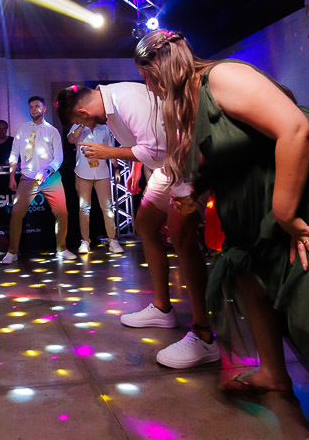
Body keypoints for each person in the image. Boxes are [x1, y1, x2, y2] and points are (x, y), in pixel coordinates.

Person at [135, 29, 309, 440]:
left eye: (148, 78)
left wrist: (285, 213)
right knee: (246, 271)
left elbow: (294, 128)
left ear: (160, 68)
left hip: (307, 186)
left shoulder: (223, 77)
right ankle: (273, 374)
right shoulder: (190, 100)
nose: (149, 89)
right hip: (254, 199)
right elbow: (226, 153)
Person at [55, 83, 216, 369]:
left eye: (81, 121)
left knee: (181, 237)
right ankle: (163, 308)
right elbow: (145, 140)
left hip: (186, 163)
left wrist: (109, 153)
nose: (86, 125)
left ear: (82, 112)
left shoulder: (125, 99)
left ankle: (204, 334)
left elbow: (157, 148)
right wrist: (138, 168)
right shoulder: (111, 108)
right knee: (145, 224)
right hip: (167, 165)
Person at [2, 95, 71, 263]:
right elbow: (14, 153)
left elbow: (59, 158)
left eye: (37, 106)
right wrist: (12, 176)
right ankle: (12, 252)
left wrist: (47, 171)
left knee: (62, 212)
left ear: (44, 108)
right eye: (31, 106)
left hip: (51, 178)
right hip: (28, 177)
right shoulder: (22, 129)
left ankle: (61, 249)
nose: (34, 109)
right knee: (17, 213)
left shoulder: (52, 131)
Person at [66, 122, 124, 254]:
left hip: (102, 172)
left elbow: (110, 148)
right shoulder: (77, 126)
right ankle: (85, 241)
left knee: (107, 207)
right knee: (84, 208)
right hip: (82, 172)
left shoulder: (104, 128)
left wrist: (116, 168)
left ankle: (112, 240)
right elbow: (70, 139)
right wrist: (81, 125)